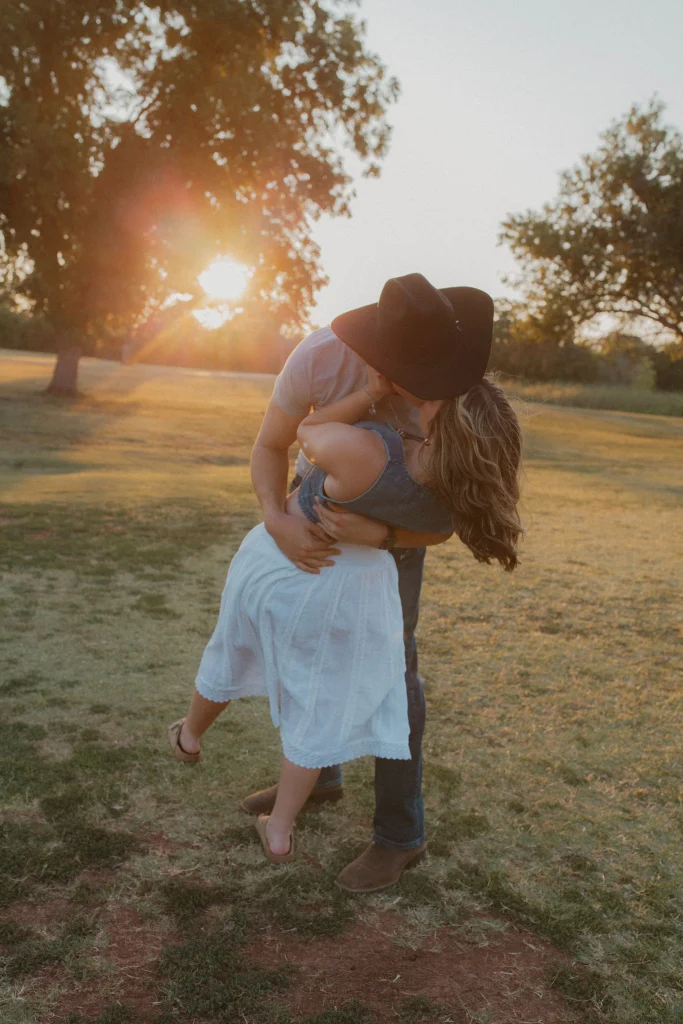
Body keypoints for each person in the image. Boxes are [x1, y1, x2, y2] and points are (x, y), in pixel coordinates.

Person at [167, 274, 523, 888]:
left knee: (394, 671)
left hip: (390, 550)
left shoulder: (455, 392)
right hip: (311, 526)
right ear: (384, 357)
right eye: (421, 372)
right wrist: (276, 519)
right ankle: (320, 778)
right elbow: (271, 444)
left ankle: (398, 834)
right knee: (308, 656)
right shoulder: (318, 358)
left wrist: (381, 537)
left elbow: (448, 524)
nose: (431, 388)